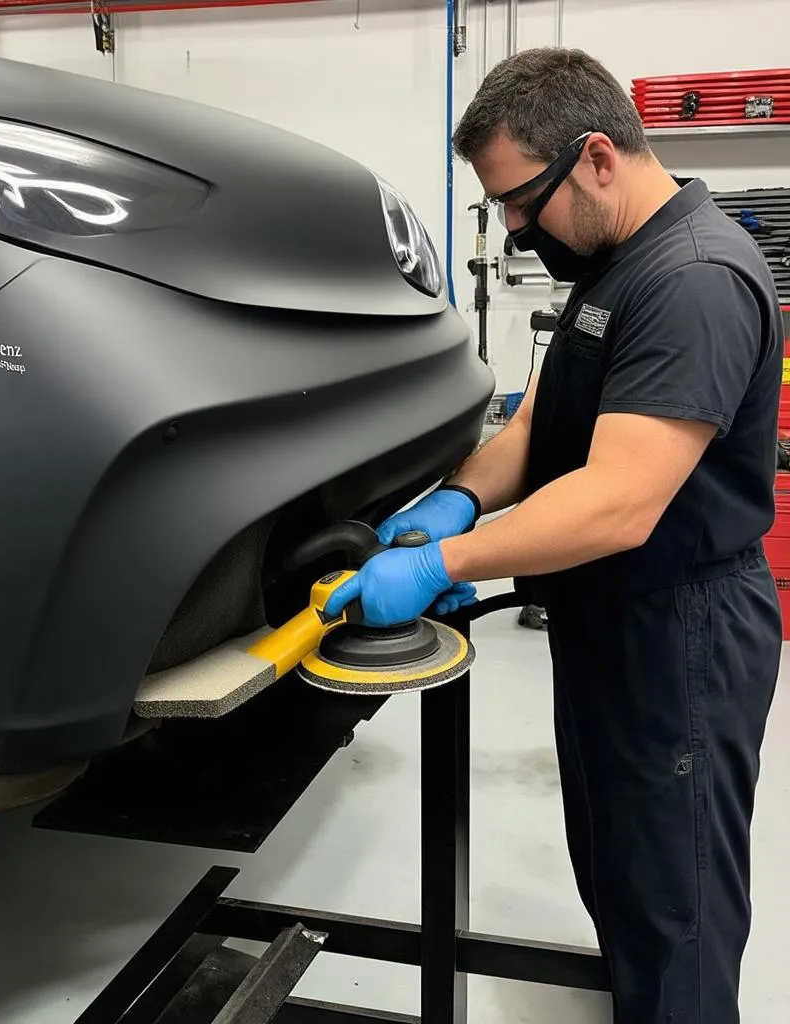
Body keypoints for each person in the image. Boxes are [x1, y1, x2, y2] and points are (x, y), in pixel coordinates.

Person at [325, 47, 784, 1024]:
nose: (516, 228)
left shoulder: (692, 278)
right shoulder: (614, 259)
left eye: (522, 202)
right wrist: (456, 503)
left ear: (595, 158)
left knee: (678, 907)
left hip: (682, 631)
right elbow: (537, 424)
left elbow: (617, 501)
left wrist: (445, 564)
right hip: (608, 614)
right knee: (619, 869)